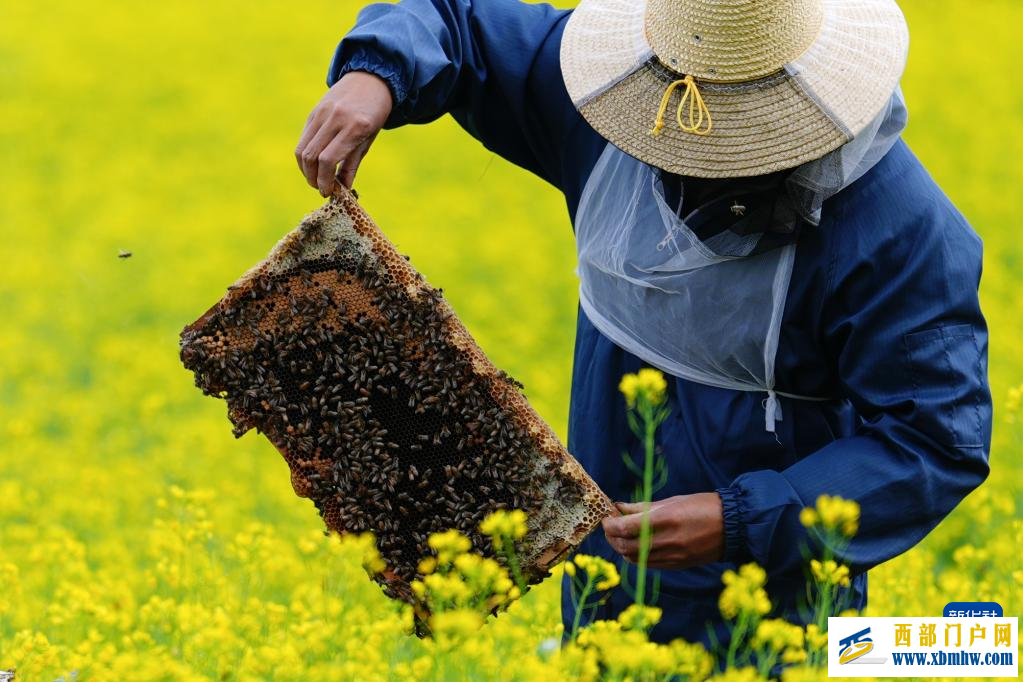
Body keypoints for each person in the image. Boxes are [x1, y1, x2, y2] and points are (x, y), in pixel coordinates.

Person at [294, 0, 992, 648]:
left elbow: (933, 438)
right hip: (602, 591)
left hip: (770, 615)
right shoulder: (606, 104)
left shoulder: (899, 235)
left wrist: (744, 519)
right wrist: (376, 71)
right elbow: (458, 17)